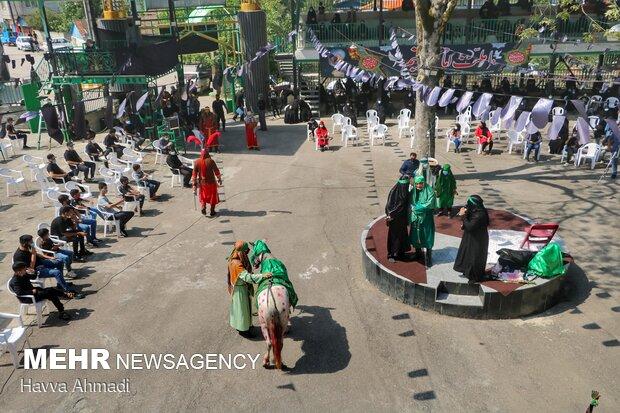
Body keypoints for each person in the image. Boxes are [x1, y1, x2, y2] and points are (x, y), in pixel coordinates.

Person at [227, 240, 273, 337]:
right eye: (246, 252)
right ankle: (244, 330)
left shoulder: (234, 258)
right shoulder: (236, 264)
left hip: (240, 288)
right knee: (242, 311)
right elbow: (247, 277)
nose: (247, 254)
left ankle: (243, 326)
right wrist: (262, 276)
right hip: (240, 290)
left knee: (241, 310)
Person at [10, 262, 76, 321]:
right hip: (28, 298)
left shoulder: (23, 274)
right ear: (19, 271)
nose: (26, 271)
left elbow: (33, 277)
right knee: (50, 292)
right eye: (24, 270)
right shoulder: (15, 281)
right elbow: (19, 292)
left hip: (35, 292)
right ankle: (64, 301)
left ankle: (62, 306)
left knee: (51, 291)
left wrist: (34, 271)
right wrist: (31, 292)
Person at [13, 234, 78, 293]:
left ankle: (60, 284)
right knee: (57, 272)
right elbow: (31, 269)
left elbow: (38, 255)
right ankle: (68, 290)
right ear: (24, 244)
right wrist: (33, 254)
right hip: (36, 270)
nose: (32, 243)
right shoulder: (18, 256)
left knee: (59, 262)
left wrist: (49, 257)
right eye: (31, 242)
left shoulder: (27, 247)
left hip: (41, 262)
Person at [453, 195, 489, 283]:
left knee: (475, 257)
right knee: (467, 254)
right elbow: (469, 223)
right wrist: (464, 223)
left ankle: (475, 277)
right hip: (470, 236)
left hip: (478, 239)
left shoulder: (480, 214)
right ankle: (467, 271)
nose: (467, 205)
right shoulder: (475, 210)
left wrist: (463, 216)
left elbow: (470, 226)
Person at [409, 175, 436, 267]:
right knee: (416, 235)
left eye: (420, 183)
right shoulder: (413, 191)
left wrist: (416, 208)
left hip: (426, 219)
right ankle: (418, 254)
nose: (419, 186)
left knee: (427, 236)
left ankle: (428, 257)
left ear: (424, 182)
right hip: (416, 218)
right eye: (417, 184)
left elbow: (429, 204)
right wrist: (415, 208)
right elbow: (411, 202)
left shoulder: (430, 191)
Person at [385, 177, 410, 262]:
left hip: (402, 219)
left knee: (402, 236)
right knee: (394, 236)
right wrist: (390, 215)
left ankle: (400, 253)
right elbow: (389, 206)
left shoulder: (406, 192)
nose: (404, 188)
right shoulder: (393, 192)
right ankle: (391, 254)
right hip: (394, 220)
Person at [192, 149, 222, 217]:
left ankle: (203, 207)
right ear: (207, 154)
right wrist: (219, 179)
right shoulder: (211, 161)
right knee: (213, 196)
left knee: (203, 196)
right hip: (211, 183)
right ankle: (212, 211)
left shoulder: (197, 162)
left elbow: (194, 174)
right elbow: (216, 171)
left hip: (202, 183)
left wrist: (194, 184)